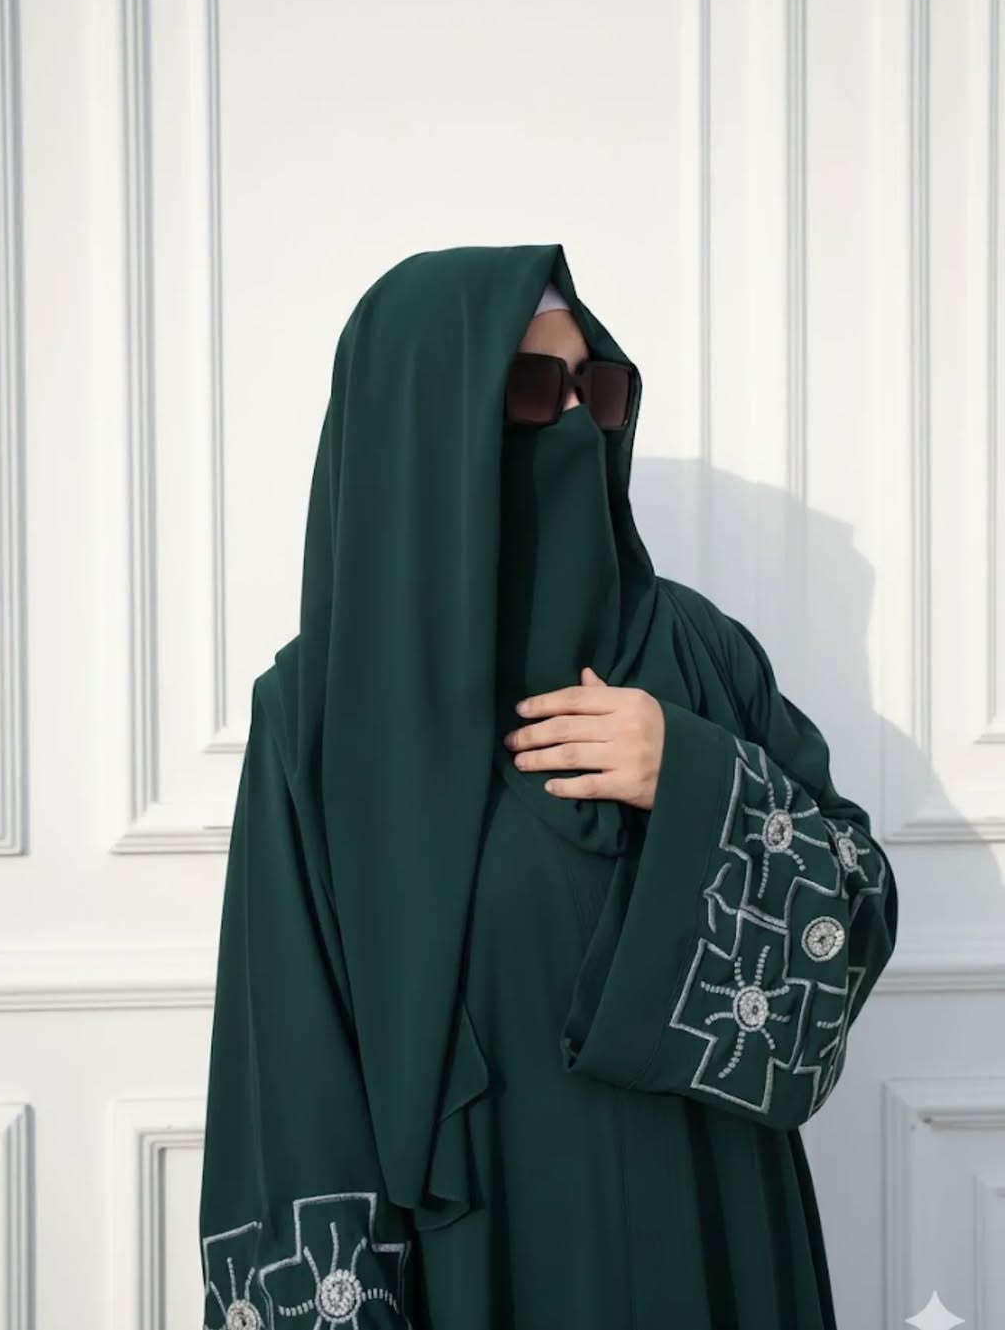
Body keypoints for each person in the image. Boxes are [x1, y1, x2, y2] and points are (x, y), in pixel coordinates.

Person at [197, 243, 898, 1329]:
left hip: (714, 1237)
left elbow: (854, 908)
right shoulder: (320, 720)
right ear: (424, 422)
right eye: (531, 386)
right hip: (488, 1265)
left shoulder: (696, 656)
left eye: (596, 388)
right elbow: (289, 1076)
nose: (575, 421)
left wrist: (692, 774)